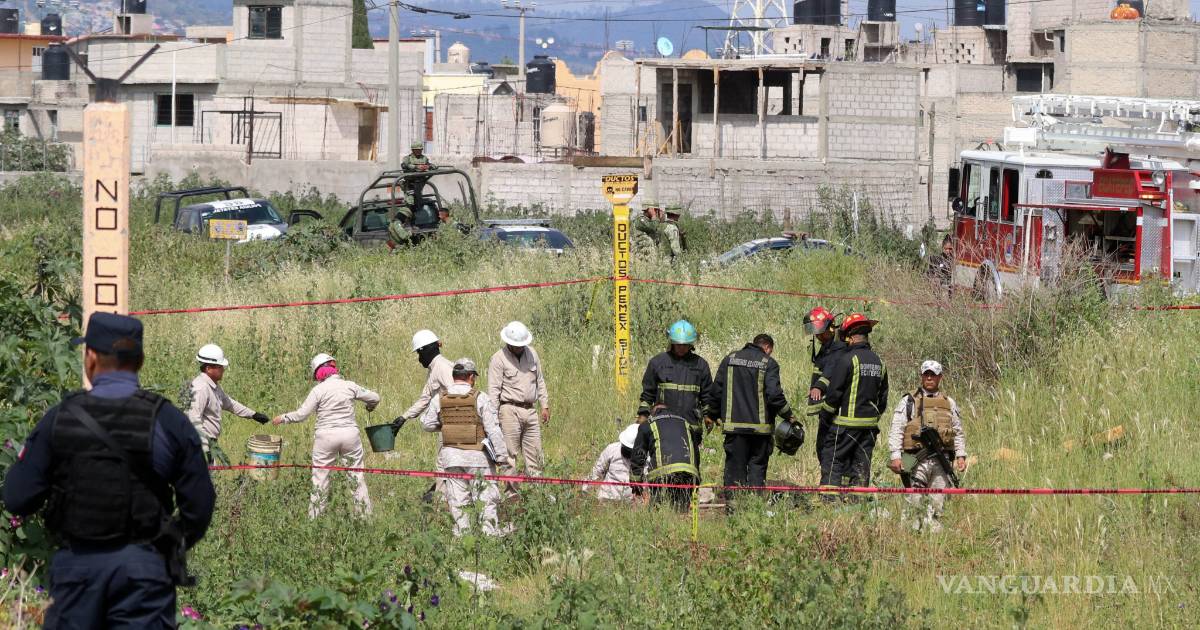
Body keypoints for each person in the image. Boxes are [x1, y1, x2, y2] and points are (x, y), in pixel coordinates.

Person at [3, 313, 215, 628]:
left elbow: (17, 497)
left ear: (90, 357)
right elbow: (200, 504)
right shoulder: (168, 420)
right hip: (144, 574)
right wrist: (168, 544)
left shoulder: (59, 419)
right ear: (140, 360)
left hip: (77, 572)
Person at [274, 353, 379, 518]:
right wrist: (370, 406)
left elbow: (302, 414)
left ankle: (315, 519)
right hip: (350, 435)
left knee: (320, 479)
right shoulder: (349, 385)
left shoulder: (318, 390)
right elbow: (375, 398)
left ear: (317, 373)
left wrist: (283, 417)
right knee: (356, 477)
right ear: (333, 366)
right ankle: (364, 518)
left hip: (325, 437)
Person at [420, 358, 511, 537]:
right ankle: (488, 540)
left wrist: (446, 426)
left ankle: (463, 540)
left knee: (458, 503)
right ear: (470, 377)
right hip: (479, 459)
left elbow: (426, 424)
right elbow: (493, 430)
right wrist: (502, 457)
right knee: (486, 502)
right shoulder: (480, 398)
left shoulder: (440, 398)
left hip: (451, 459)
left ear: (454, 376)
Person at [711, 334, 797, 502]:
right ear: (768, 348)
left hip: (735, 429)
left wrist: (711, 414)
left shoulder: (730, 359)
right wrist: (789, 415)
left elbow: (717, 391)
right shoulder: (768, 363)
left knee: (734, 469)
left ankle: (734, 506)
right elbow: (774, 395)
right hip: (760, 432)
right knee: (757, 468)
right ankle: (755, 504)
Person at [887, 360, 968, 533]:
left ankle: (934, 537)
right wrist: (895, 455)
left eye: (933, 375)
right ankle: (910, 535)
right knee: (914, 500)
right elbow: (897, 428)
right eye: (926, 374)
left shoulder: (949, 403)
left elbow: (958, 431)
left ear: (940, 377)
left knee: (938, 501)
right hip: (914, 457)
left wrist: (961, 455)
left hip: (941, 459)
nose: (929, 378)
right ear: (921, 376)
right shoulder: (909, 401)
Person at [820, 313, 889, 494]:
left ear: (850, 337)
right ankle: (857, 502)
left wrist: (825, 417)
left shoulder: (847, 359)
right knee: (861, 465)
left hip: (845, 426)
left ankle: (829, 500)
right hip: (869, 428)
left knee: (832, 459)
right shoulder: (880, 362)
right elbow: (883, 399)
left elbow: (834, 394)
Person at [638, 319, 715, 468]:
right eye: (678, 344)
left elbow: (707, 395)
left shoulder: (701, 365)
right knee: (663, 461)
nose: (682, 348)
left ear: (691, 344)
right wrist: (642, 416)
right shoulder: (657, 363)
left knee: (691, 463)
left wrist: (708, 416)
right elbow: (648, 393)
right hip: (663, 424)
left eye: (685, 345)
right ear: (672, 342)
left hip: (691, 426)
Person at [487, 321, 550, 492]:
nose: (519, 347)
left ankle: (538, 492)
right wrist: (492, 417)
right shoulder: (498, 358)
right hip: (509, 410)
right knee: (509, 455)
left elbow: (540, 380)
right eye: (516, 345)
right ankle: (511, 493)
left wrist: (544, 405)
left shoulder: (532, 354)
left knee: (535, 454)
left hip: (530, 410)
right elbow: (493, 391)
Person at [394, 330, 456, 502]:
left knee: (443, 466)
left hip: (452, 425)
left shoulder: (442, 368)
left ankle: (441, 504)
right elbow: (424, 399)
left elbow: (457, 393)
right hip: (447, 425)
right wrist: (403, 417)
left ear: (427, 350)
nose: (419, 359)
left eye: (419, 354)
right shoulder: (434, 369)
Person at [186, 343, 270, 464]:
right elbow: (193, 420)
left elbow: (230, 404)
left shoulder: (213, 386)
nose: (223, 369)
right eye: (219, 366)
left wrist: (253, 414)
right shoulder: (200, 389)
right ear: (208, 369)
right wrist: (204, 450)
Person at [802, 306, 846, 484]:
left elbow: (831, 369)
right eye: (816, 333)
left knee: (828, 449)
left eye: (821, 332)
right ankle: (829, 484)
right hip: (826, 409)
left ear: (830, 327)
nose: (818, 336)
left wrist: (819, 387)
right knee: (823, 448)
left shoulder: (839, 347)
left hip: (834, 409)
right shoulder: (826, 347)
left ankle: (832, 487)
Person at [631, 406, 700, 511]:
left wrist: (636, 484)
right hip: (688, 472)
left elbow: (638, 456)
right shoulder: (686, 424)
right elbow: (696, 454)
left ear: (653, 414)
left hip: (661, 474)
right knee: (681, 510)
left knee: (656, 509)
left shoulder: (648, 425)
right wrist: (697, 480)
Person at [587, 424, 640, 501]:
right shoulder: (612, 449)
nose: (627, 450)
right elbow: (597, 471)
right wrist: (586, 490)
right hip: (607, 498)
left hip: (630, 502)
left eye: (630, 449)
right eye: (625, 447)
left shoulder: (645, 457)